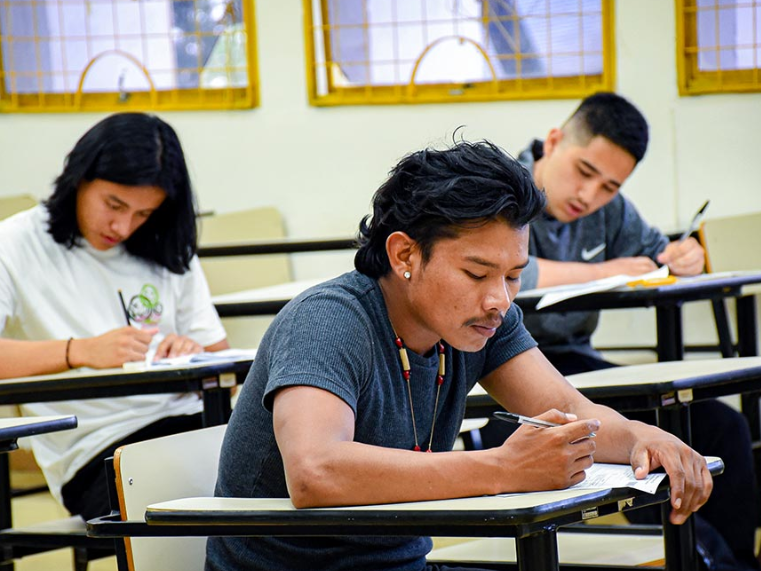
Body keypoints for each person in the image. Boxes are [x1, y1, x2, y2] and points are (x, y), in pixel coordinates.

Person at [206, 139, 711, 571]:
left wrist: (646, 437)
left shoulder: (480, 322)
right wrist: (503, 470)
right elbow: (315, 472)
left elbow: (573, 413)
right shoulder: (328, 320)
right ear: (405, 254)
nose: (500, 299)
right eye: (477, 274)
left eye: (514, 276)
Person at [476, 92, 758, 570]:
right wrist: (606, 270)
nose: (590, 196)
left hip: (579, 366)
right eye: (584, 172)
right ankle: (704, 558)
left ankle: (737, 562)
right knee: (636, 457)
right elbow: (512, 271)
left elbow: (654, 253)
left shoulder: (610, 210)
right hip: (506, 370)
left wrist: (681, 256)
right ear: (554, 141)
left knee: (722, 426)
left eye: (609, 186)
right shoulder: (503, 190)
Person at [0, 113, 228, 521]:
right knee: (252, 480)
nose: (123, 226)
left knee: (289, 449)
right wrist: (79, 352)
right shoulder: (9, 244)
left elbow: (223, 365)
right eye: (114, 204)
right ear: (78, 177)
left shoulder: (163, 243)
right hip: (99, 455)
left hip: (192, 425)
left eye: (143, 214)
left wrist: (189, 352)